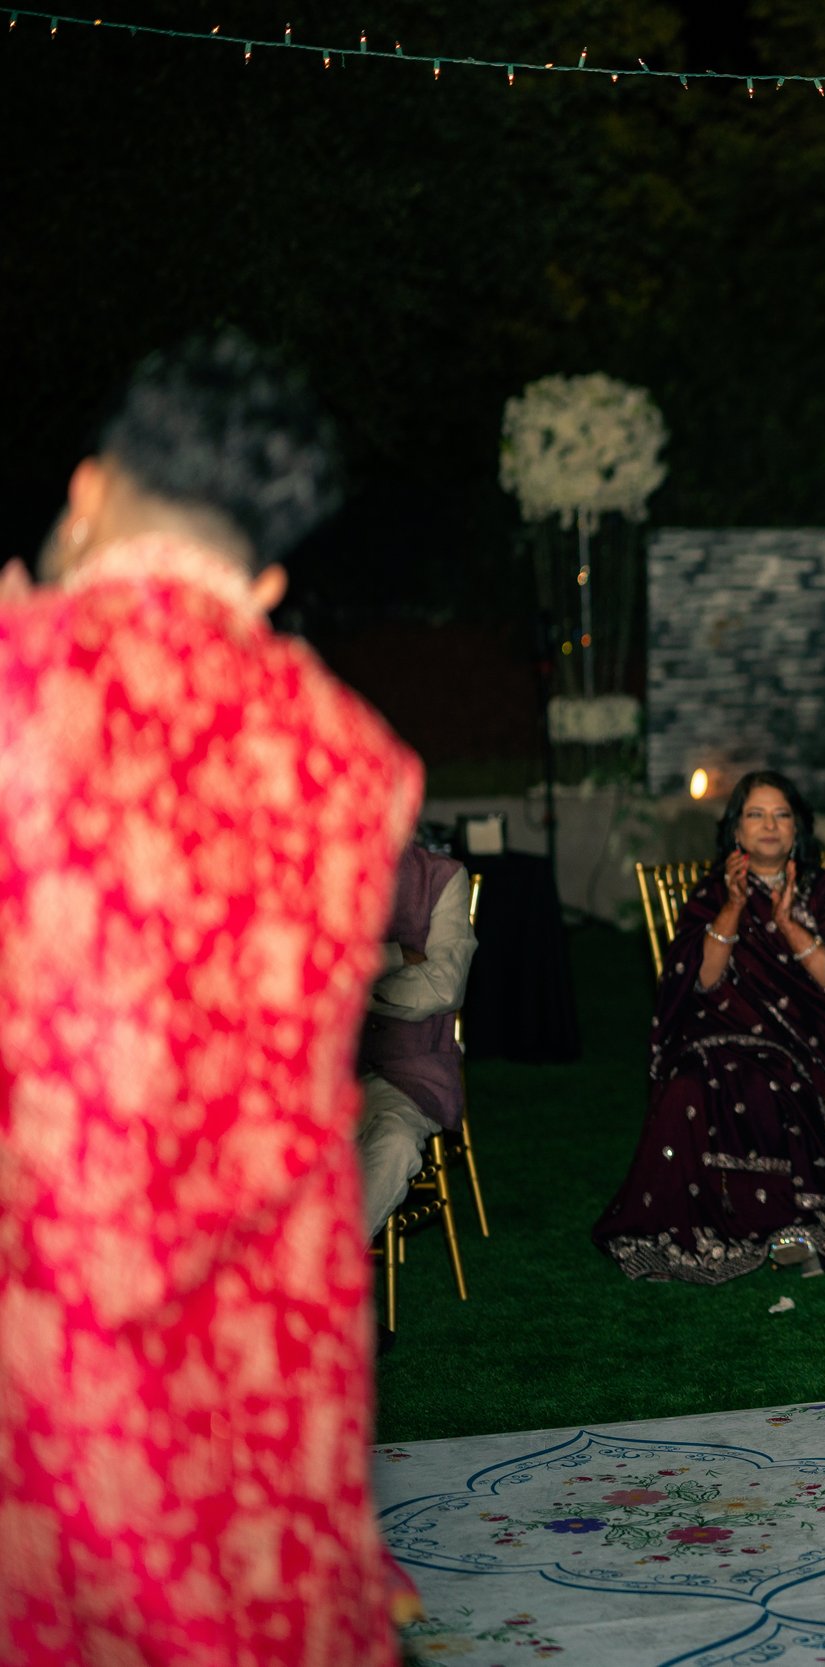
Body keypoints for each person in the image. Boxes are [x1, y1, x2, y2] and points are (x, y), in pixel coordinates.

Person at [0, 332, 423, 1664]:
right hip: (260, 1369)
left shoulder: (18, 687)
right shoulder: (355, 761)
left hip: (38, 1367)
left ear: (85, 494)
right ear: (270, 574)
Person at [593, 770, 825, 1281]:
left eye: (781, 815)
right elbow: (701, 982)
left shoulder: (823, 891)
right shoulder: (712, 896)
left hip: (812, 1051)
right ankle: (702, 1224)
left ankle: (790, 1224)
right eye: (756, 814)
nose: (769, 825)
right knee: (688, 1088)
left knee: (775, 1085)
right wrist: (732, 907)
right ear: (737, 832)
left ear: (797, 829)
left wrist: (790, 923)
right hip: (721, 1040)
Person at [357, 842, 479, 1239]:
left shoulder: (442, 878)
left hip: (407, 1074)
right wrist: (399, 956)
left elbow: (443, 987)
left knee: (392, 1147)